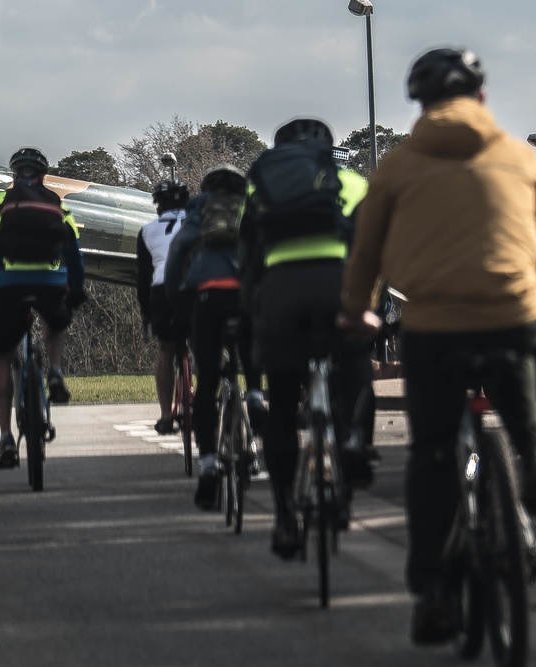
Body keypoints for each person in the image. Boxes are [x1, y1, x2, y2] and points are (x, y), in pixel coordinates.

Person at [338, 47, 536, 645]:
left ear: (420, 105)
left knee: (433, 457)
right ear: (483, 98)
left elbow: (365, 253)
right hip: (510, 313)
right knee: (515, 360)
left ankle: (435, 592)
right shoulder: (521, 157)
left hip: (434, 324)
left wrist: (359, 312)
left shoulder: (396, 166)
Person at [240, 118, 377, 559]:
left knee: (282, 402)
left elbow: (247, 261)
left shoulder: (258, 185)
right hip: (338, 286)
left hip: (282, 292)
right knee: (355, 359)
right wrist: (370, 308)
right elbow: (373, 249)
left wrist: (254, 315)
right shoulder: (352, 182)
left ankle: (283, 517)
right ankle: (354, 442)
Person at [0, 147, 87, 469]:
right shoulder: (58, 205)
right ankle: (55, 372)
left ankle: (6, 437)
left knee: (3, 357)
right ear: (43, 174)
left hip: (5, 284)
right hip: (51, 281)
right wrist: (75, 290)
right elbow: (75, 253)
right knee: (56, 322)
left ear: (12, 174)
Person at [163, 165, 267, 509]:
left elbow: (176, 259)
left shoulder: (198, 211)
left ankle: (208, 465)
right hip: (247, 295)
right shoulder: (254, 209)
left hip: (208, 296)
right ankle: (254, 395)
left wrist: (179, 308)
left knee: (207, 381)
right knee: (250, 348)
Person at [136, 178, 190, 435]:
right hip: (195, 287)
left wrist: (146, 317)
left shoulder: (147, 230)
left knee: (166, 349)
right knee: (205, 342)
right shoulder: (199, 221)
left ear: (158, 206)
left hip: (162, 291)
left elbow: (143, 279)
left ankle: (166, 416)